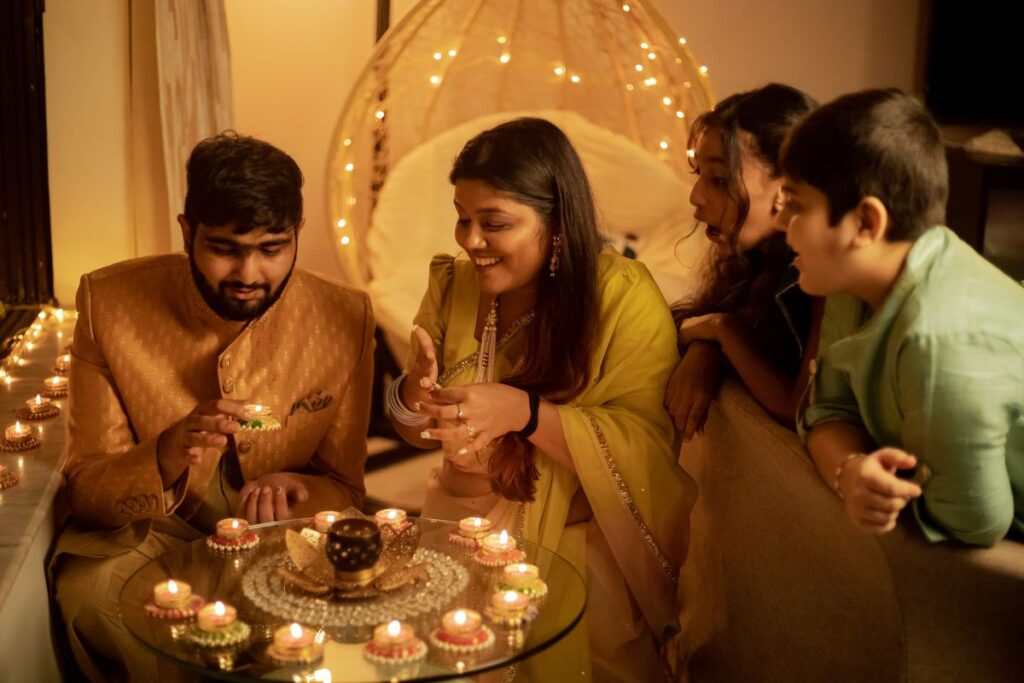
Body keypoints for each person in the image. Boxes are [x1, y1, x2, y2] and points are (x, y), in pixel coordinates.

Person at [50, 132, 375, 681]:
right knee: (93, 593)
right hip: (151, 534)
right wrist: (167, 453)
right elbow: (88, 489)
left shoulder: (345, 316)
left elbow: (345, 486)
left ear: (298, 234)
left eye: (272, 248)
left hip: (285, 537)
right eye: (225, 247)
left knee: (327, 619)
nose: (249, 275)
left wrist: (297, 489)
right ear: (186, 232)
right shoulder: (108, 302)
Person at [385, 117, 695, 681]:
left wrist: (524, 414)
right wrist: (413, 395)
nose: (470, 240)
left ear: (556, 226)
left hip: (574, 554)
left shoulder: (621, 297)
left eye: (494, 223)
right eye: (462, 218)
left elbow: (649, 446)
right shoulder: (451, 284)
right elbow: (414, 429)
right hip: (453, 532)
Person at [778, 88, 1024, 546]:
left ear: (867, 224)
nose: (779, 223)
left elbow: (975, 522)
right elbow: (826, 410)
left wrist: (878, 487)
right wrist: (850, 469)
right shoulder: (861, 282)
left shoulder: (939, 342)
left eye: (796, 205)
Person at [666, 83, 820, 438]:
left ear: (787, 189)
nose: (696, 197)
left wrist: (722, 331)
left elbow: (801, 409)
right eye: (700, 176)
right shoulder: (754, 264)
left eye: (719, 180)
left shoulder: (823, 273)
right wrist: (708, 344)